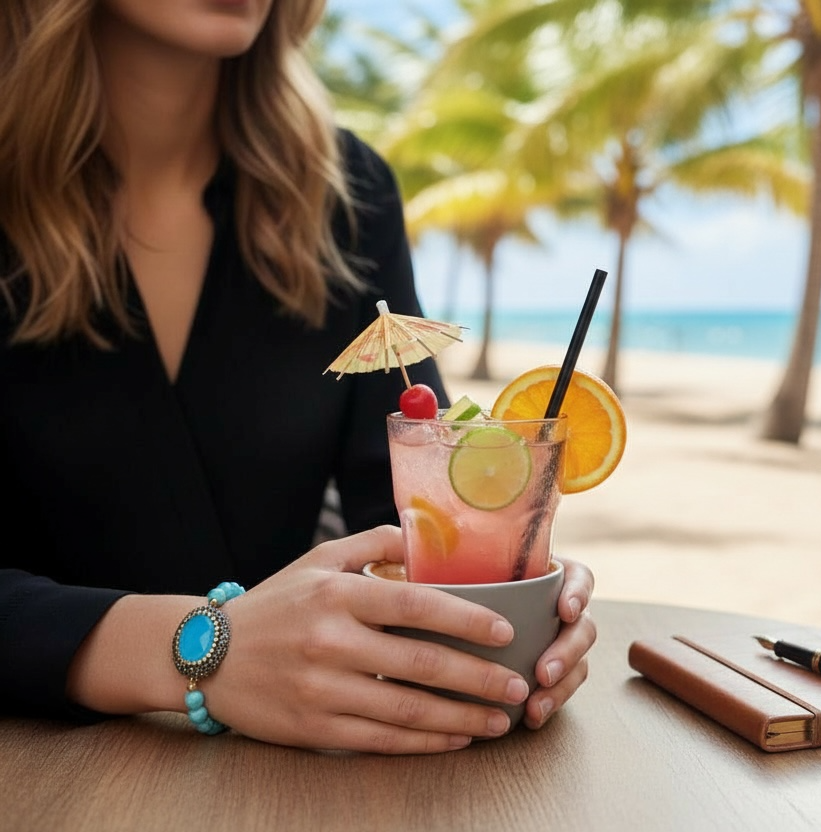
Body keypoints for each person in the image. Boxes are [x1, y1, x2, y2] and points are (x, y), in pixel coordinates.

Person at [0, 0, 595, 754]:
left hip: (294, 777)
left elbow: (417, 517)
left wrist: (508, 611)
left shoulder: (347, 194)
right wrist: (202, 651)